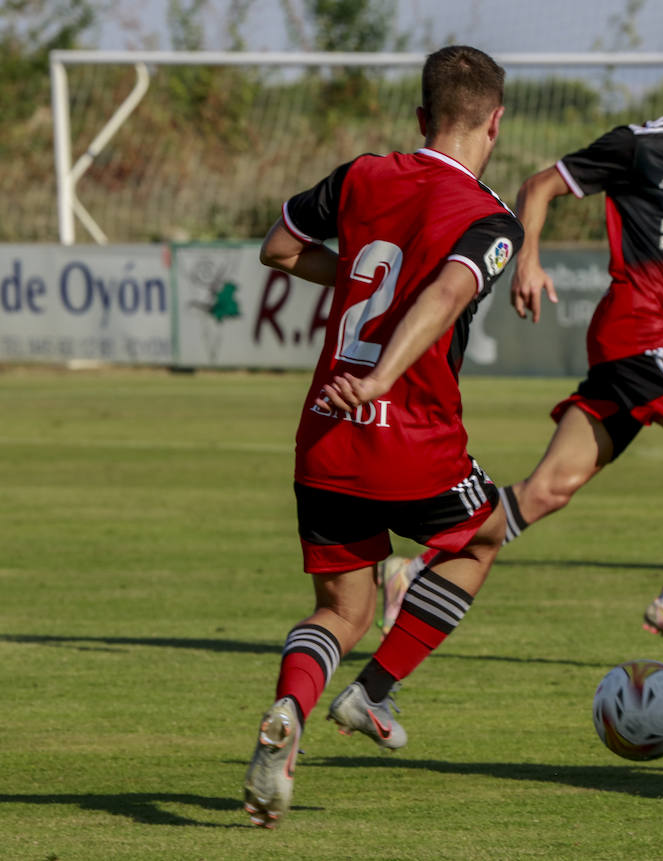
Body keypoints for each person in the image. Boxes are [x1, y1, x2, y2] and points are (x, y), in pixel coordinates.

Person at [377, 28, 663, 656]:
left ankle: (413, 573)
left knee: (547, 490)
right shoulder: (639, 147)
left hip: (650, 349)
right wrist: (526, 259)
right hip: (636, 330)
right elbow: (538, 185)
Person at [241, 45, 524, 829]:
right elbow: (446, 291)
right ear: (495, 123)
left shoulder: (364, 174)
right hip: (411, 435)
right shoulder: (492, 217)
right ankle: (373, 690)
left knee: (341, 607)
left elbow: (280, 247)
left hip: (327, 431)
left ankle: (289, 712)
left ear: (421, 117)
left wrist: (365, 291)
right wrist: (383, 375)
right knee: (481, 539)